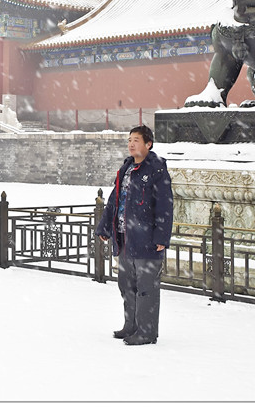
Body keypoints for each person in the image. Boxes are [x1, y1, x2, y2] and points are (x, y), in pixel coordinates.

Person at [96, 125, 173, 346]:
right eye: (130, 140)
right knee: (126, 285)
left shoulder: (157, 170)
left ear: (148, 144)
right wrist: (104, 228)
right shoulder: (126, 169)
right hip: (125, 238)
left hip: (146, 239)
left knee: (146, 289)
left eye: (136, 140)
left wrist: (161, 238)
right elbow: (114, 201)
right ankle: (131, 326)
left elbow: (165, 206)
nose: (131, 144)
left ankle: (146, 332)